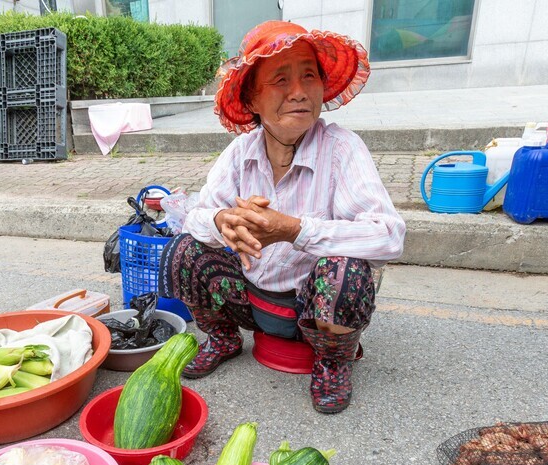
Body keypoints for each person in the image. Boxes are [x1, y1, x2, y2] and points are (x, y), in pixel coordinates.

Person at [159, 20, 405, 414]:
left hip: (312, 306)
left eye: (309, 76)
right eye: (280, 79)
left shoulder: (343, 149)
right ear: (252, 99)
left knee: (347, 272)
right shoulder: (240, 153)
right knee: (185, 250)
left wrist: (294, 229)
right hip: (252, 300)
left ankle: (332, 362)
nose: (298, 92)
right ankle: (223, 338)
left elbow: (388, 236)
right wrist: (223, 221)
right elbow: (196, 214)